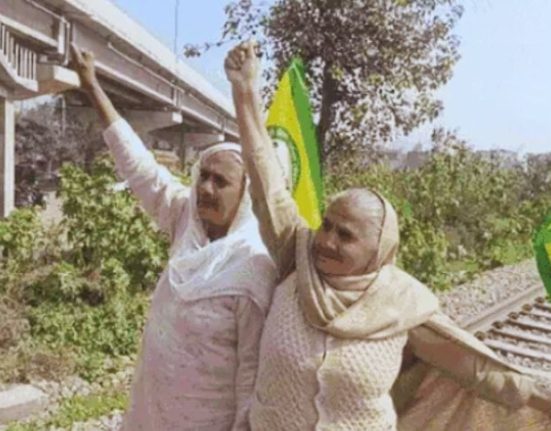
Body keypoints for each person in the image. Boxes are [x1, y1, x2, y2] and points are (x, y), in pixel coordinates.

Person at [224, 40, 551, 431]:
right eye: (326, 224)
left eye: (345, 235)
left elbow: (478, 370)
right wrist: (244, 93)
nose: (326, 240)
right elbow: (268, 184)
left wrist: (540, 397)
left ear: (378, 250)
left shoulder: (401, 302)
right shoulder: (296, 255)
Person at [71, 44, 277, 431]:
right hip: (153, 412)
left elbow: (252, 375)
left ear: (245, 193)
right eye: (204, 177)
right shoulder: (187, 221)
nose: (207, 188)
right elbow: (139, 167)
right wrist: (91, 85)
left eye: (222, 181)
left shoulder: (253, 264)